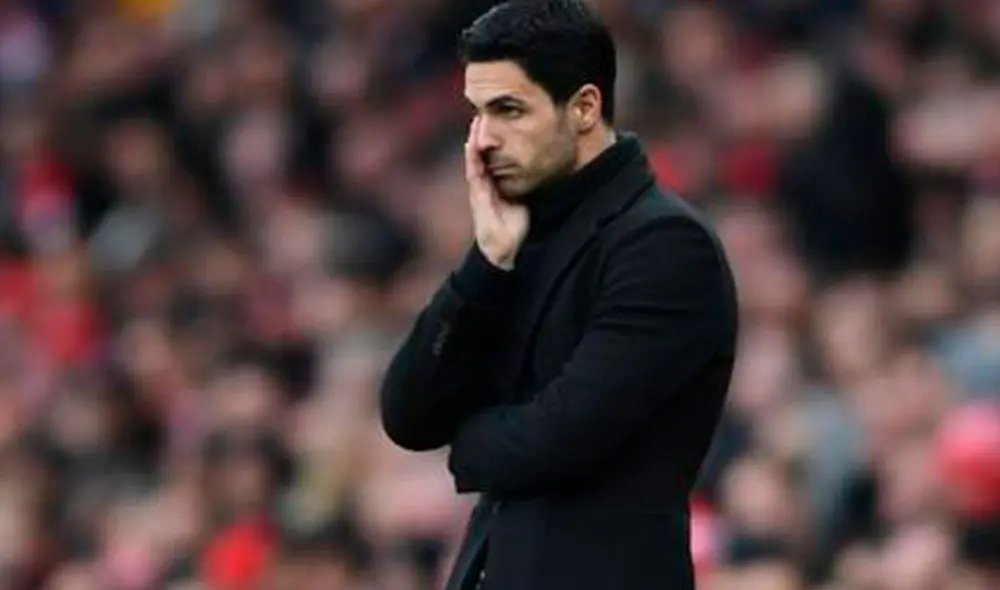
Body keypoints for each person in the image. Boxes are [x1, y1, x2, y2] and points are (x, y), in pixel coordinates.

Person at [379, 1, 739, 588]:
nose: (485, 139)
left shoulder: (664, 244)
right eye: (478, 113)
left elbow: (561, 434)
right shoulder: (516, 241)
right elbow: (408, 414)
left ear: (584, 108)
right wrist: (485, 266)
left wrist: (467, 441)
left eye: (509, 110)